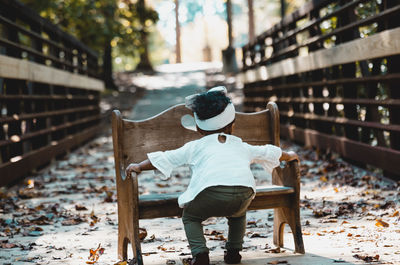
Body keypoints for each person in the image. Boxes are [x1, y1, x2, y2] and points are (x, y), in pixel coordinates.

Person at [125, 86, 299, 265]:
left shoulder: (195, 146)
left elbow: (166, 157)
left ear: (199, 129)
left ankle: (200, 253)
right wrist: (290, 155)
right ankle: (233, 252)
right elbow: (267, 152)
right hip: (244, 192)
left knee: (190, 217)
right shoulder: (240, 145)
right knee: (238, 215)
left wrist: (138, 166)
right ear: (232, 125)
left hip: (210, 192)